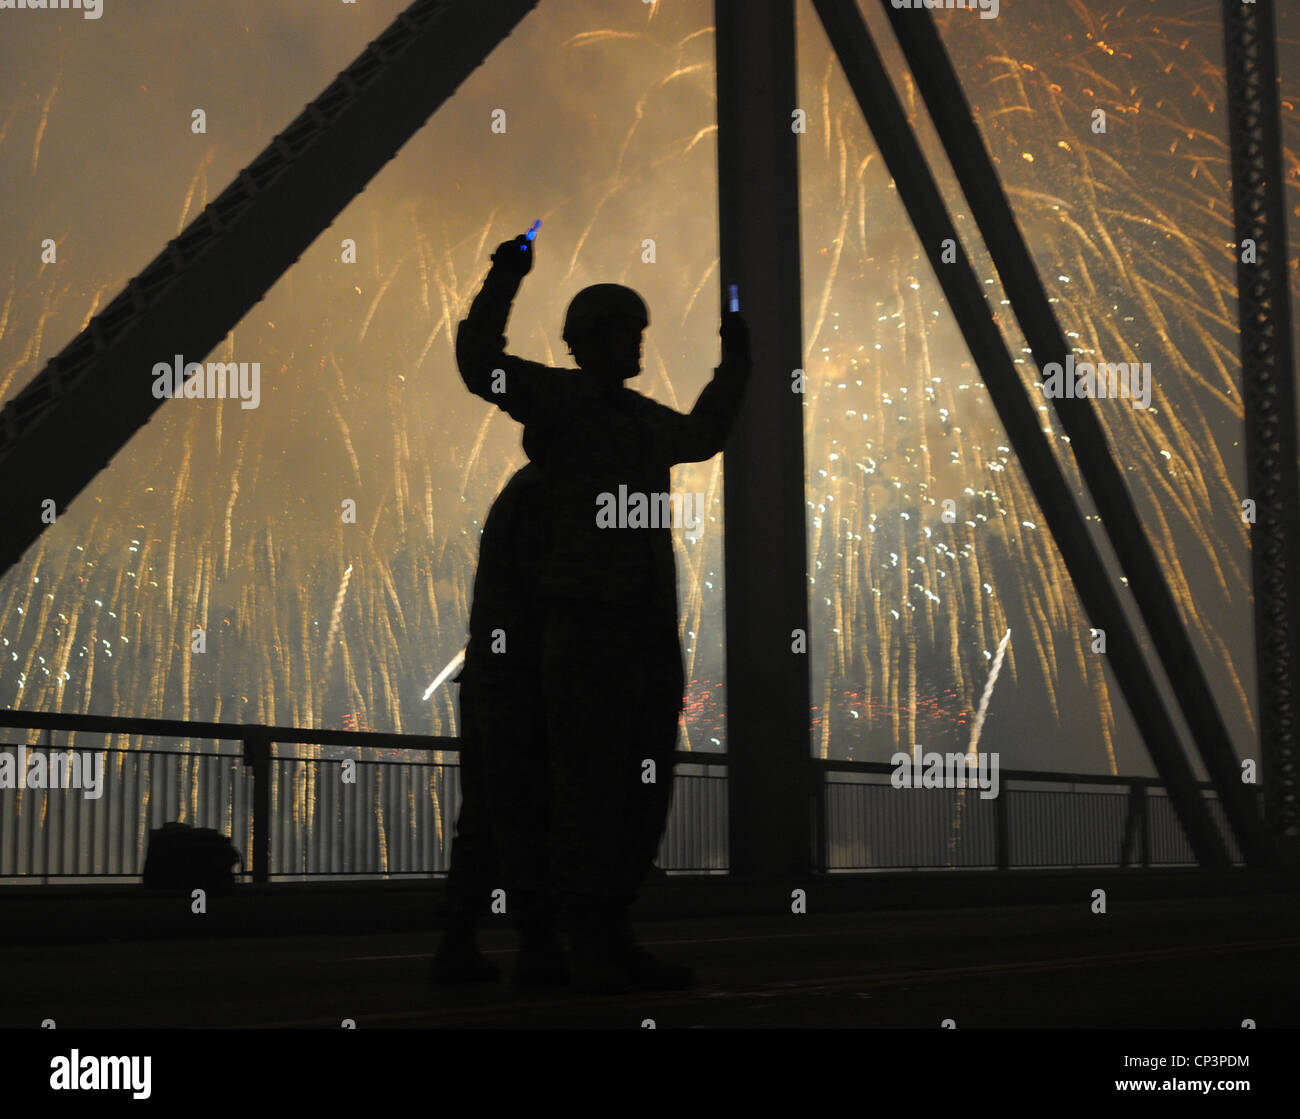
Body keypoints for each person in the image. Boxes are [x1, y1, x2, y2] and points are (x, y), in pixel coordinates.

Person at [456, 228, 751, 992]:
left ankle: (602, 930)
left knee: (632, 792)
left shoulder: (642, 419)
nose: (641, 342)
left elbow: (704, 433)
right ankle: (563, 938)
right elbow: (479, 364)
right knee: (584, 789)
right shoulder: (561, 401)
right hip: (587, 627)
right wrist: (504, 279)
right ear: (595, 339)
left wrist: (736, 365)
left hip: (642, 630)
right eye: (628, 330)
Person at [430, 463, 564, 986]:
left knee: (485, 818)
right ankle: (538, 944)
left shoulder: (520, 492)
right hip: (524, 681)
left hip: (493, 675)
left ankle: (460, 941)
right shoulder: (553, 492)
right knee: (532, 813)